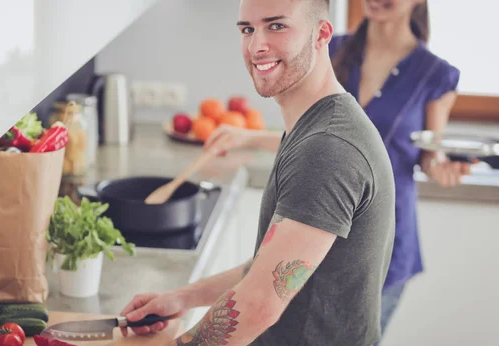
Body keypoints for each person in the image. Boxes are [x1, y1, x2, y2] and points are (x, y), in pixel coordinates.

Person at [120, 0, 396, 345]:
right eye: (247, 29)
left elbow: (259, 303)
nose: (256, 46)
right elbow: (273, 270)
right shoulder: (313, 126)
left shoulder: (327, 148)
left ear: (321, 34)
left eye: (277, 26)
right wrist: (184, 297)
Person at [202, 0, 473, 343]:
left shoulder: (435, 73)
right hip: (322, 204)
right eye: (248, 30)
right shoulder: (336, 47)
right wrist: (249, 137)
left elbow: (426, 155)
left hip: (382, 230)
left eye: (274, 26)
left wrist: (442, 168)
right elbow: (313, 136)